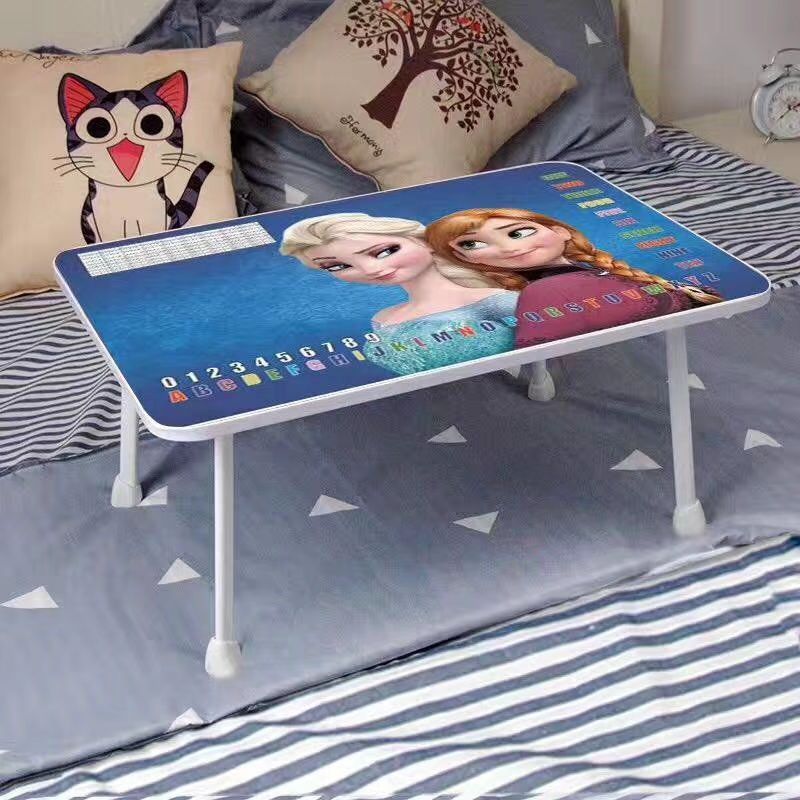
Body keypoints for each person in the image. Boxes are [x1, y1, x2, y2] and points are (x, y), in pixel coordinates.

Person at [425, 208, 722, 347]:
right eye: (472, 244)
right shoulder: (549, 291)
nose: (509, 248)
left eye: (518, 233)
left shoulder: (589, 276)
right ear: (466, 259)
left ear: (560, 232)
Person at [279, 212, 520, 375]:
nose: (371, 270)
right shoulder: (383, 318)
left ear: (425, 242)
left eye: (385, 252)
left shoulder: (494, 301)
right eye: (338, 266)